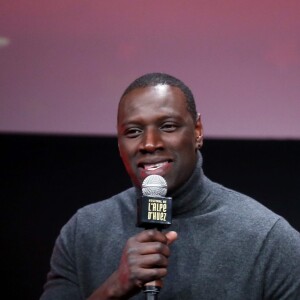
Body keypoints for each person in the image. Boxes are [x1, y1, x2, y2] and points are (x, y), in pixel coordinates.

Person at [40, 72, 300, 300]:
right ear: (119, 144)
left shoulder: (268, 239)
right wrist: (114, 289)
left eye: (167, 126)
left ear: (197, 131)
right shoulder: (84, 230)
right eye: (133, 131)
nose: (150, 143)